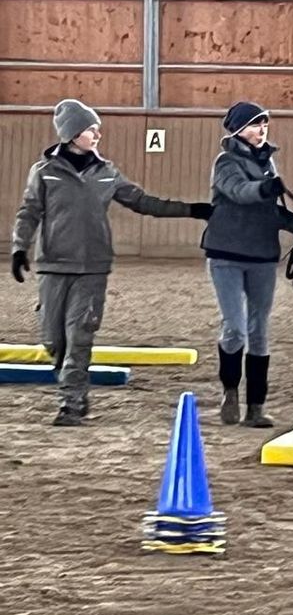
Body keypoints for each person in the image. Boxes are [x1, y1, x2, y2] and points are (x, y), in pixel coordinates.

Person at [11, 98, 213, 427]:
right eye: (91, 129)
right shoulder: (44, 172)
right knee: (53, 340)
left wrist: (191, 210)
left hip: (93, 268)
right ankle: (72, 387)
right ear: (72, 133)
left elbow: (144, 202)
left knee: (80, 335)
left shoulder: (107, 173)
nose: (97, 134)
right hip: (53, 266)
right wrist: (20, 247)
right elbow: (29, 212)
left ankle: (72, 404)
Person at [201, 100, 293, 427]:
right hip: (226, 254)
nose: (261, 130)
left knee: (259, 330)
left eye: (264, 124)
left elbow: (268, 208)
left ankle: (255, 406)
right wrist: (266, 187)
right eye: (255, 124)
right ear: (238, 129)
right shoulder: (225, 162)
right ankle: (230, 391)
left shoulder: (269, 164)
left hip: (262, 255)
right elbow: (240, 192)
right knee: (235, 328)